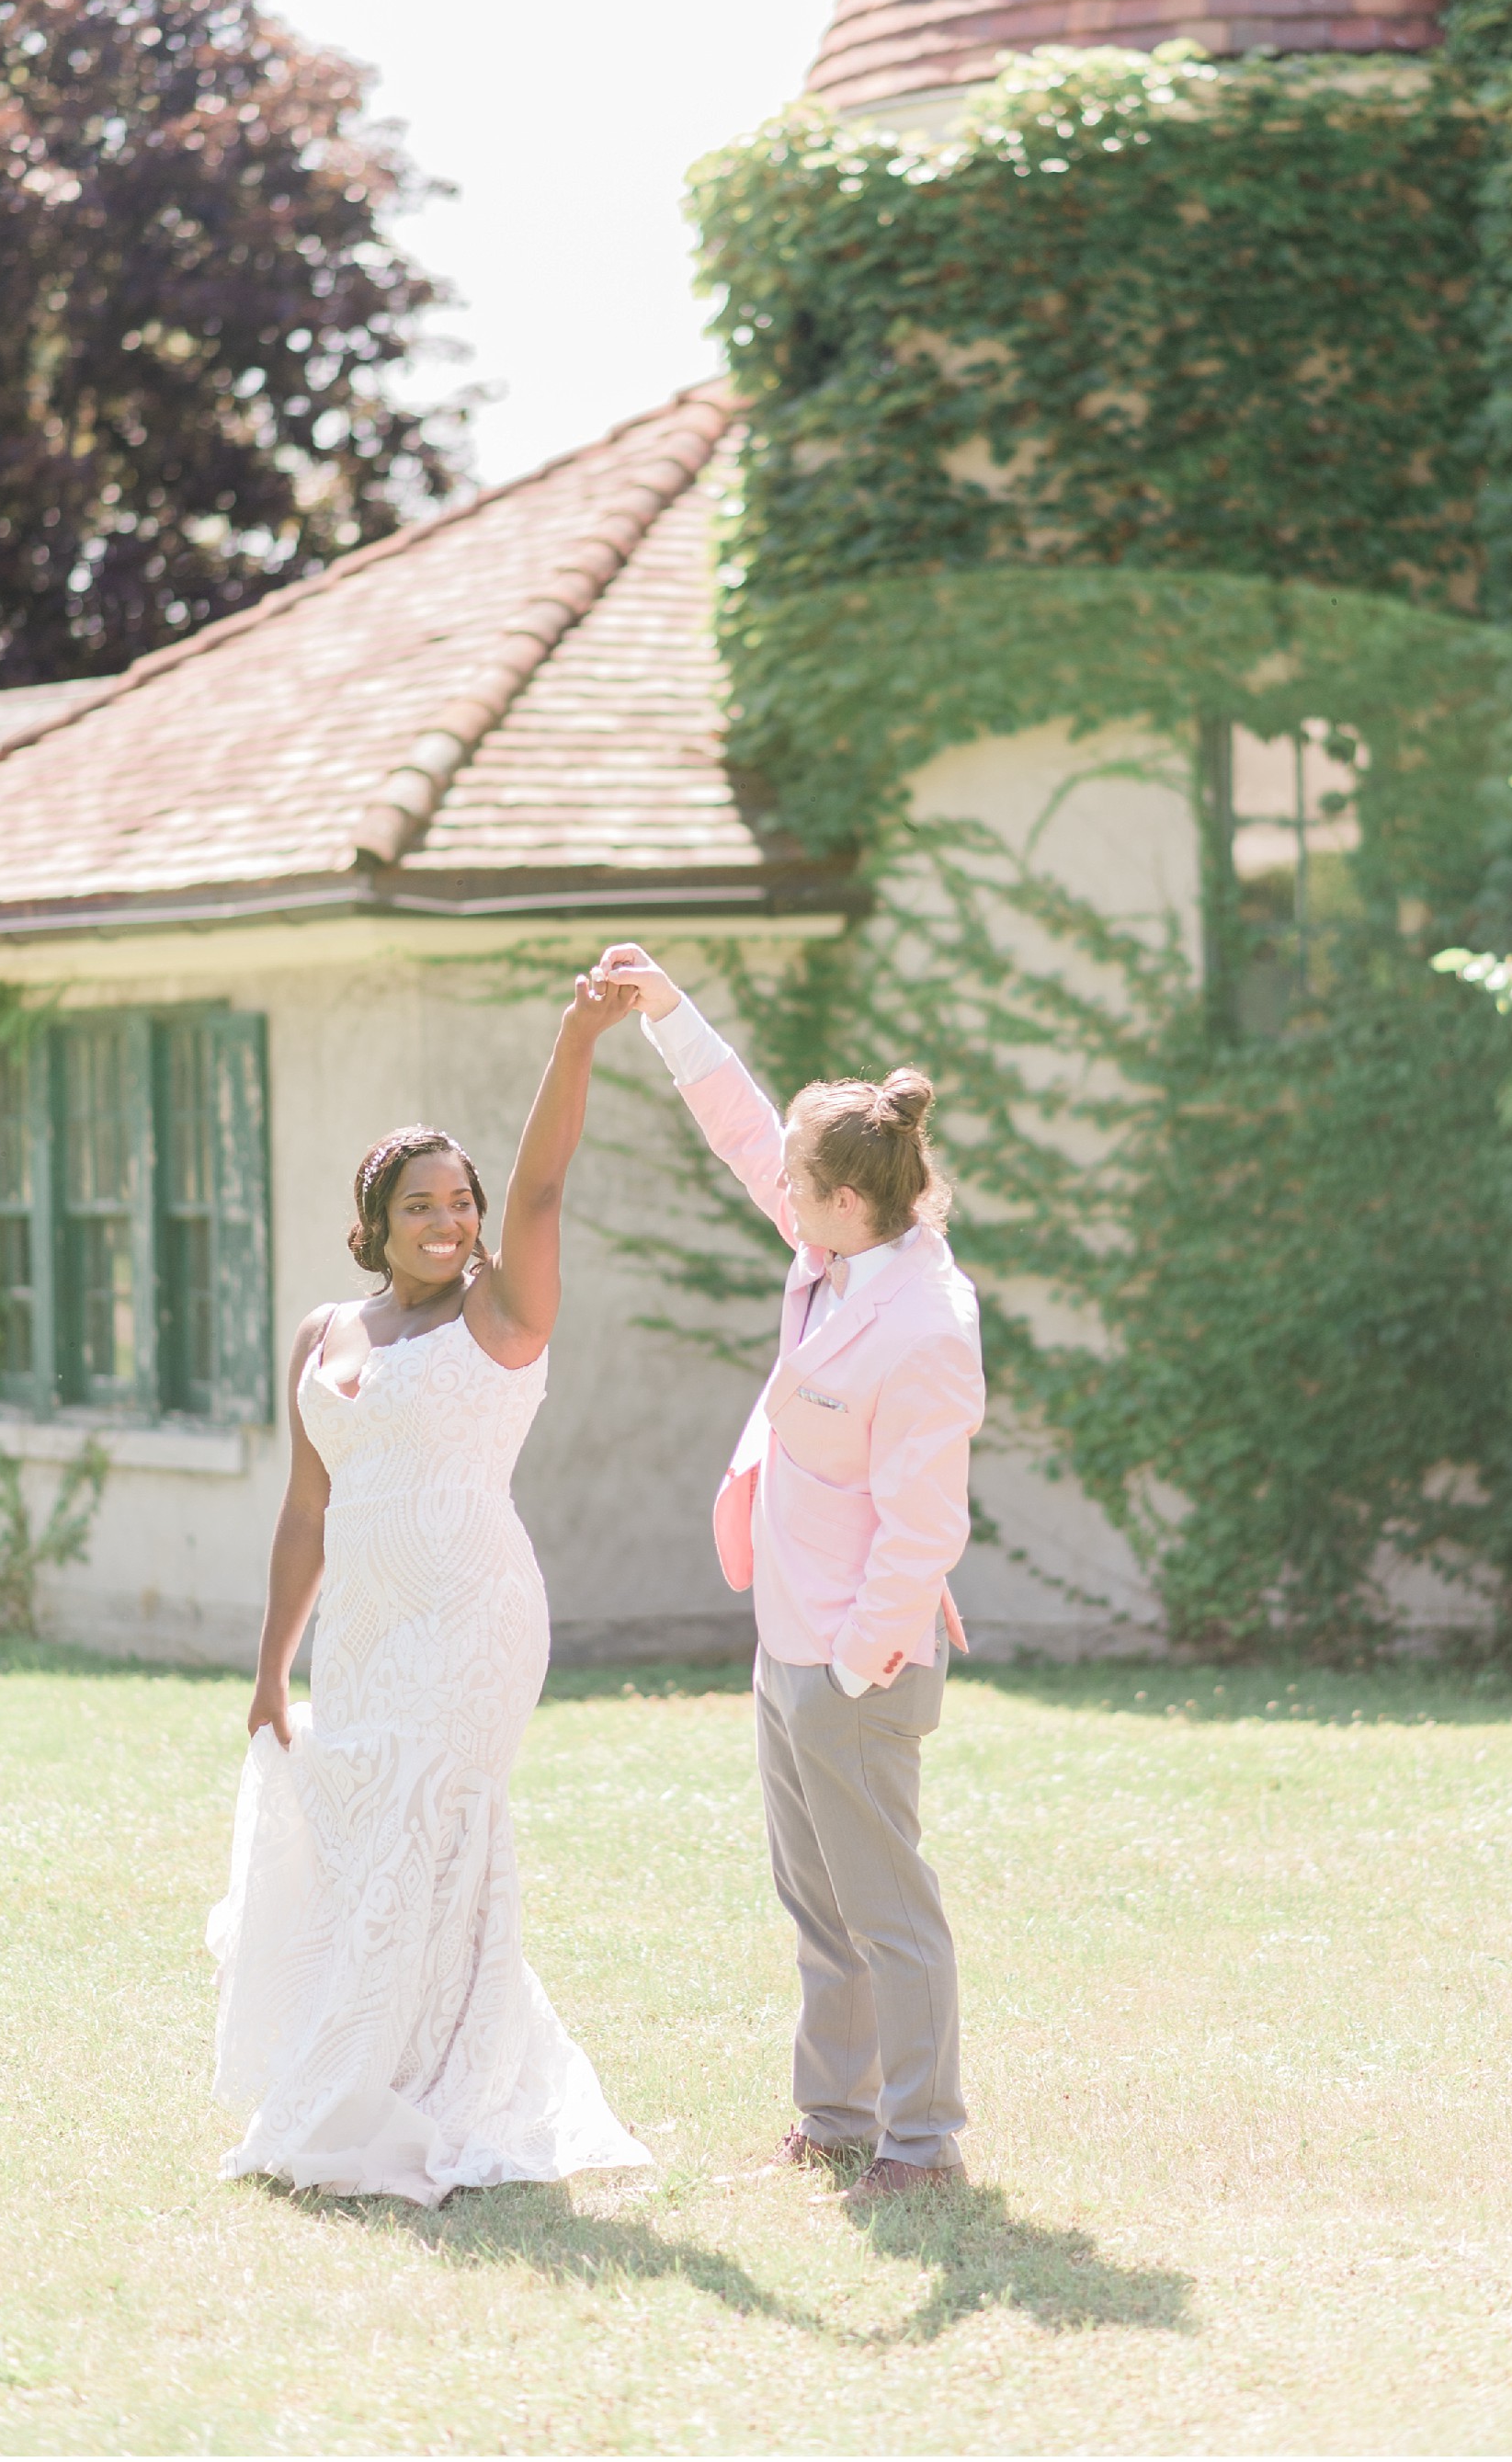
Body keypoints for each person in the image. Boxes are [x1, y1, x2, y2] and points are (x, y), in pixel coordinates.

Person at [208, 970, 650, 2208]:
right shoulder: (322, 1336)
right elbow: (306, 1511)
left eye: (463, 1201)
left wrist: (575, 1039)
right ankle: (393, 2065)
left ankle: (403, 2095)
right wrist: (267, 1672)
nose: (452, 1220)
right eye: (425, 1203)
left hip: (473, 1613)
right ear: (375, 1221)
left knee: (422, 1826)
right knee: (362, 1842)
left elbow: (546, 1187)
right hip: (360, 1625)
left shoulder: (503, 1318)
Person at [597, 941, 983, 2208]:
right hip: (788, 1634)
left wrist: (855, 1663)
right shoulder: (830, 1253)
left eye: (795, 1183)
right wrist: (668, 1009)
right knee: (817, 1905)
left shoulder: (924, 1324)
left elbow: (923, 1525)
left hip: (854, 1659)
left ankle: (920, 2140)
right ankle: (832, 2116)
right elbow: (742, 1126)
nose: (778, 1185)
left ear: (848, 1201)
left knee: (890, 1911)